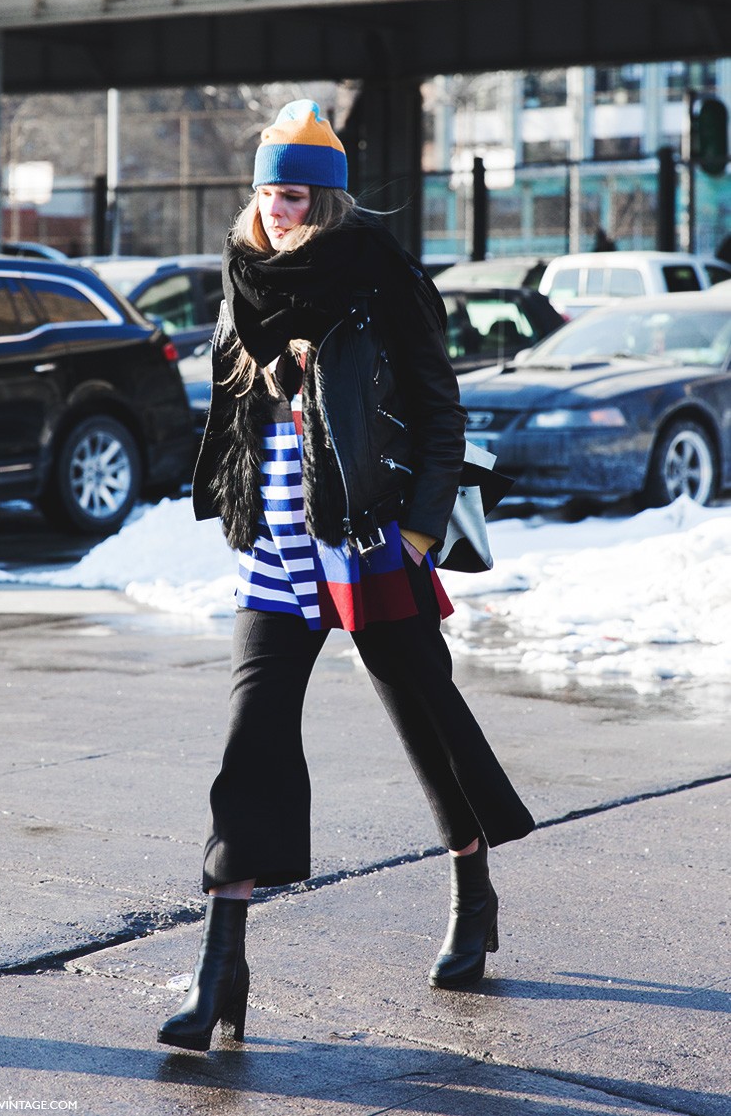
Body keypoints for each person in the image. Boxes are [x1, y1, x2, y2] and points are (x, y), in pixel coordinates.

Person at [157, 100, 535, 1053]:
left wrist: (417, 532)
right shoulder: (244, 282)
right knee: (249, 740)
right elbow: (238, 418)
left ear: (323, 202)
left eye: (291, 195)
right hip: (279, 546)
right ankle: (222, 970)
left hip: (367, 539)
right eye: (264, 193)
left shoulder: (382, 278)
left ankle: (471, 882)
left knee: (424, 714)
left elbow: (438, 409)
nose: (274, 210)